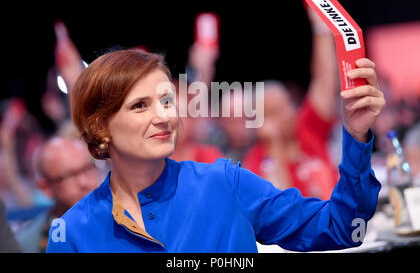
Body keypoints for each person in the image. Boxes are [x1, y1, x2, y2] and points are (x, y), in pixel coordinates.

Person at [47, 49, 384, 252]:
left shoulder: (225, 183)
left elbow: (340, 227)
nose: (164, 116)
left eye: (166, 101)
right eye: (140, 106)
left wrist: (356, 135)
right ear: (100, 127)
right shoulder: (74, 233)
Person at [242, 10, 342, 200]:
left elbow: (325, 79)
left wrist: (320, 25)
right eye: (275, 112)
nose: (288, 114)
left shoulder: (308, 126)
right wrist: (275, 149)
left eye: (287, 104)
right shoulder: (254, 163)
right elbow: (282, 208)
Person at [16, 136, 102, 252]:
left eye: (87, 168)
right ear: (46, 188)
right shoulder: (30, 244)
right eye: (70, 176)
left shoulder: (122, 217)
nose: (84, 182)